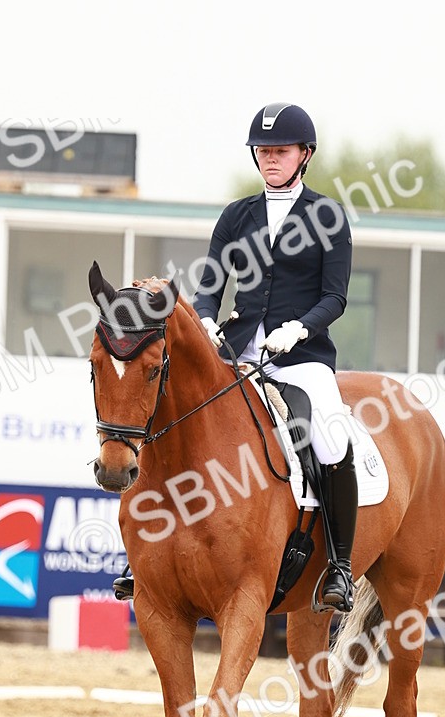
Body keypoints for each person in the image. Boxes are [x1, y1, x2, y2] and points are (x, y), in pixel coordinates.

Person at [114, 102, 357, 612]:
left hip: (301, 355)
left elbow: (335, 297)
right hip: (237, 351)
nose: (270, 159)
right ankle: (143, 555)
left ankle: (339, 565)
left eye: (280, 151)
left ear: (304, 155)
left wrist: (300, 328)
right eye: (263, 151)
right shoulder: (237, 215)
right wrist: (203, 320)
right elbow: (209, 287)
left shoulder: (327, 216)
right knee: (172, 416)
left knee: (331, 435)